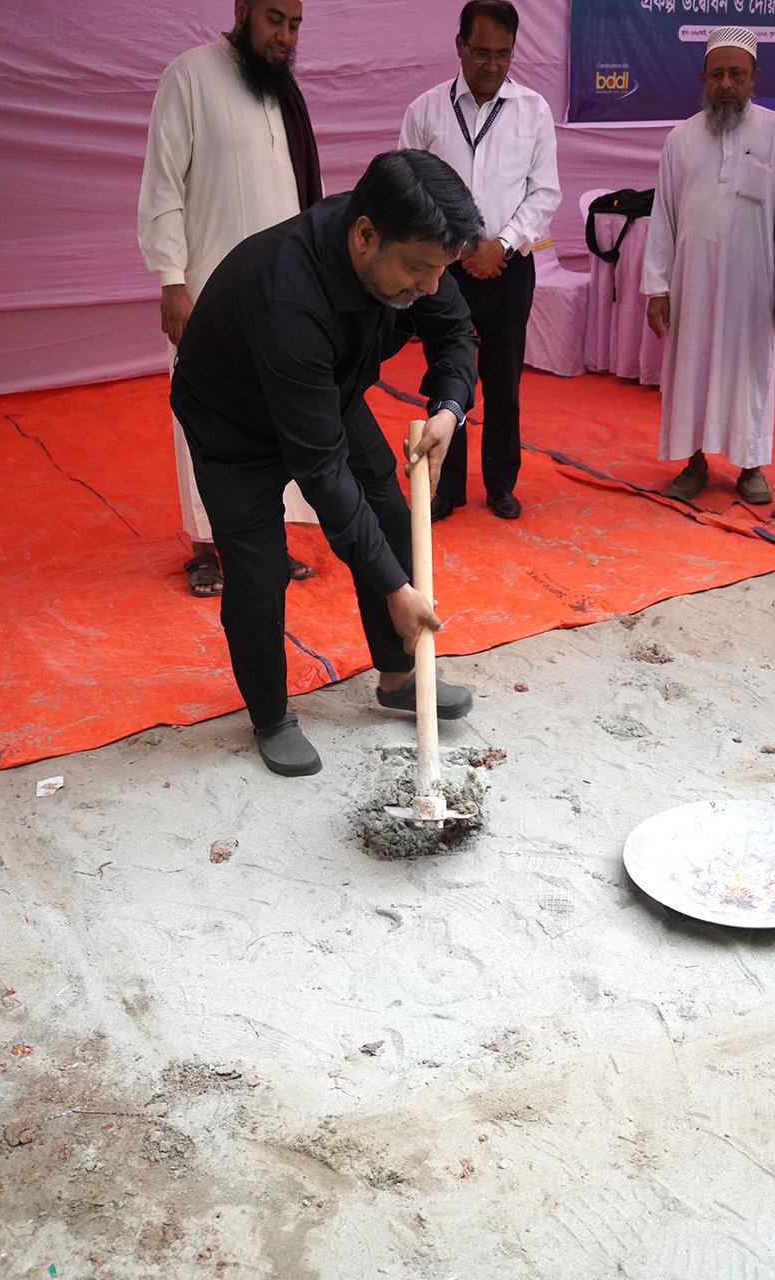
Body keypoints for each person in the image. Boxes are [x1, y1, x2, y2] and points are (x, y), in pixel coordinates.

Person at [171, 149, 483, 777]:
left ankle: (397, 675)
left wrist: (449, 409)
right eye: (418, 271)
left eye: (439, 271)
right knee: (259, 571)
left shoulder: (409, 242)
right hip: (234, 422)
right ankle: (270, 715)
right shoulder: (287, 297)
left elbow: (456, 333)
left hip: (327, 391)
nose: (429, 287)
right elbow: (322, 471)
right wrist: (396, 590)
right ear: (365, 236)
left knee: (388, 509)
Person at [138, 0, 322, 596]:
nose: (284, 36)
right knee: (205, 416)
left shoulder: (282, 92)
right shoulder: (189, 77)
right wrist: (172, 280)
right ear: (242, 9)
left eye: (294, 24)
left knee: (275, 415)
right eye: (274, 19)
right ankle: (206, 549)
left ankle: (264, 540)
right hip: (207, 291)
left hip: (280, 294)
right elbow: (163, 186)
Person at [398, 0, 560, 522]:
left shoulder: (533, 110)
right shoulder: (426, 110)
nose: (492, 65)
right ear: (460, 46)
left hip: (508, 267)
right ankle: (446, 486)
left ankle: (501, 482)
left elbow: (544, 193)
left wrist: (501, 245)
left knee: (503, 378)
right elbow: (408, 187)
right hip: (443, 268)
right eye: (481, 52)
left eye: (503, 54)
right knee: (448, 371)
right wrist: (458, 248)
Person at [642, 26, 775, 507]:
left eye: (736, 74)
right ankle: (694, 461)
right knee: (690, 369)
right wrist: (658, 288)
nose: (725, 84)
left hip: (755, 284)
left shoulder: (773, 132)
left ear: (754, 77)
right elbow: (663, 217)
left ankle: (751, 464)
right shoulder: (680, 140)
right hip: (692, 283)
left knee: (751, 373)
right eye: (716, 74)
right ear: (702, 78)